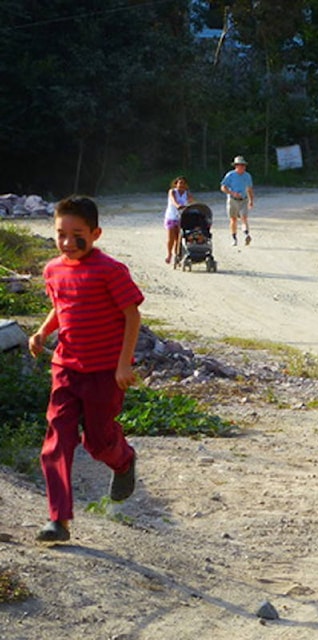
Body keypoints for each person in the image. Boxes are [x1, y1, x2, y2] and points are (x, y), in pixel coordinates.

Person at [28, 196, 144, 542]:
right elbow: (61, 307)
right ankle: (58, 520)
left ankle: (123, 460)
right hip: (66, 368)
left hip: (105, 372)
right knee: (56, 441)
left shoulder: (110, 271)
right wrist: (42, 332)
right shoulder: (53, 270)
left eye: (76, 234)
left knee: (98, 442)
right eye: (60, 234)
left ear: (96, 233)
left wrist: (123, 365)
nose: (67, 242)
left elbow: (132, 315)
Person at [220, 155, 255, 246]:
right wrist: (232, 193)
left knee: (244, 217)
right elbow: (223, 187)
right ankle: (234, 238)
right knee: (233, 219)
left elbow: (249, 189)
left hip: (244, 199)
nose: (242, 167)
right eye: (240, 165)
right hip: (233, 200)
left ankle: (246, 234)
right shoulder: (230, 175)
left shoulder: (247, 176)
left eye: (243, 165)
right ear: (236, 166)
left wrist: (251, 200)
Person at [164, 176, 195, 264]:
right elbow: (173, 200)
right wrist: (178, 205)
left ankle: (177, 255)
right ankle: (169, 254)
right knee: (171, 238)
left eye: (183, 183)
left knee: (179, 238)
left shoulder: (187, 193)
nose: (181, 185)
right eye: (179, 183)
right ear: (176, 184)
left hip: (182, 217)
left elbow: (191, 201)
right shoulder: (172, 191)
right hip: (172, 216)